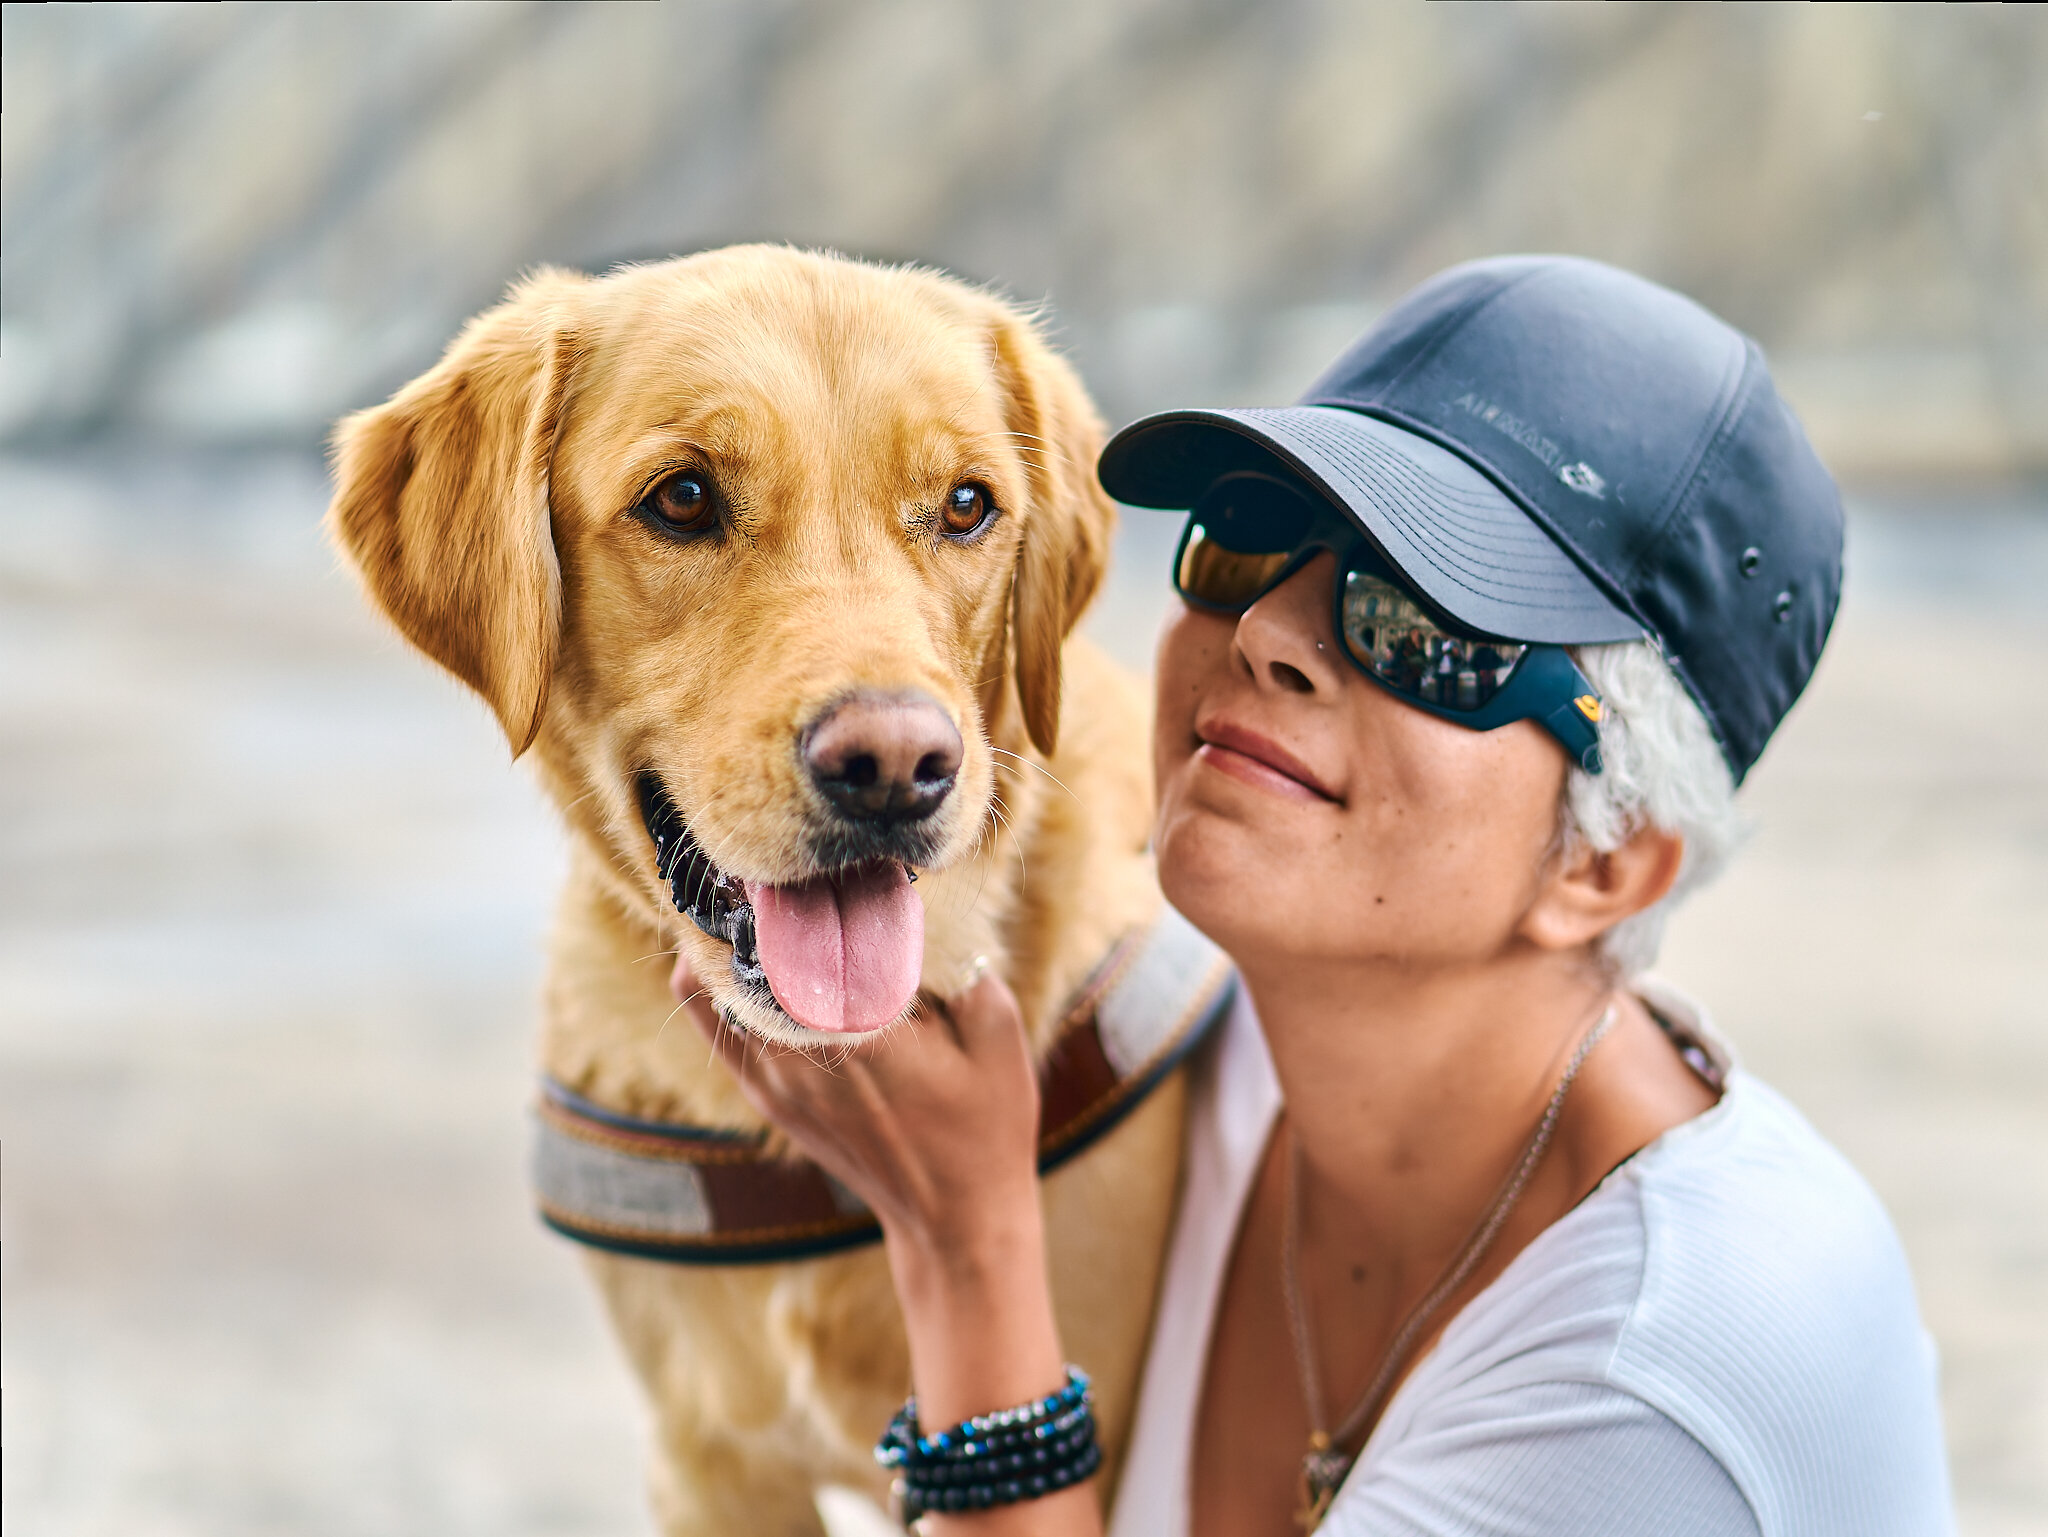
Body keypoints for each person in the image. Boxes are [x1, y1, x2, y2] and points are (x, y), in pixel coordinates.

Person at [672, 257, 1954, 1535]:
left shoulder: (1664, 1373)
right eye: (1250, 540)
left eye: (1427, 626)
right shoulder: (1171, 1070)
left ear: (1604, 859)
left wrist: (967, 1251)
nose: (1274, 631)